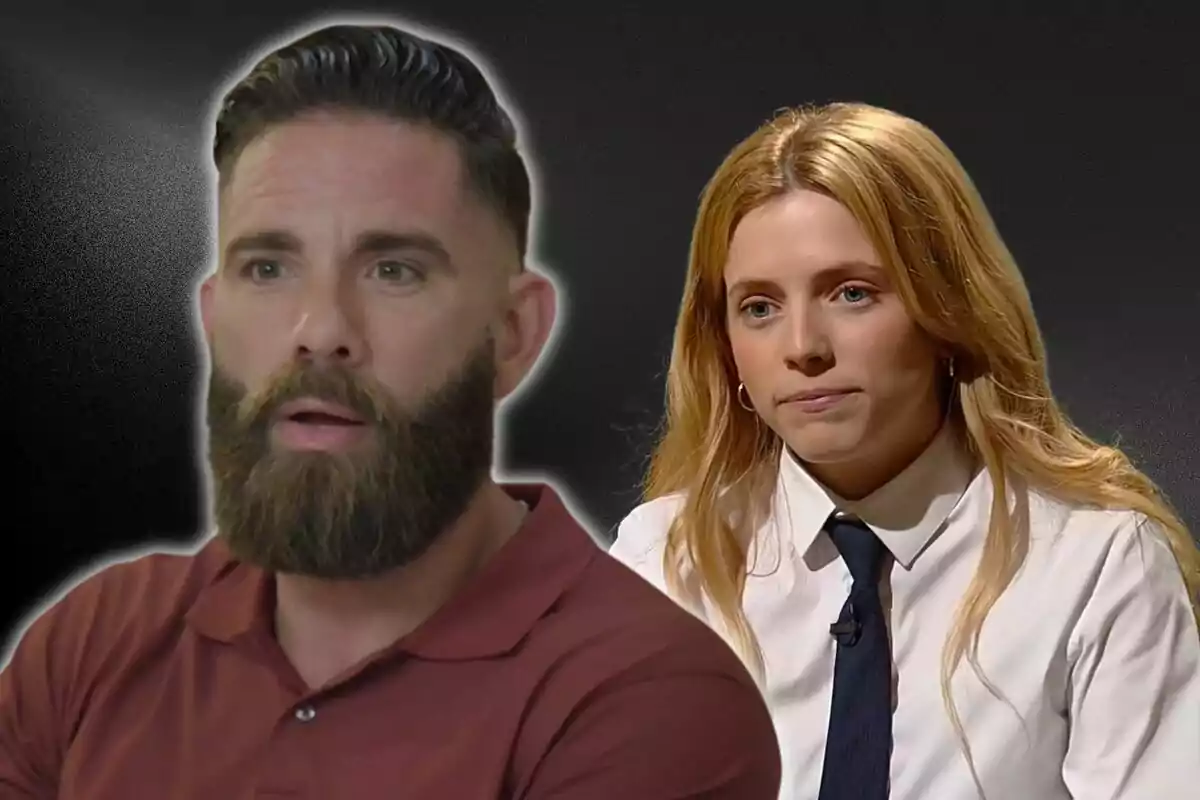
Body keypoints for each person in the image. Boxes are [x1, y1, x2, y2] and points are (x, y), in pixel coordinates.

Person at [0, 22, 782, 799]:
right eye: (267, 267)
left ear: (512, 334)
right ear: (212, 314)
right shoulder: (95, 640)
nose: (321, 332)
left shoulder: (648, 700)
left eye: (393, 270)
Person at [610, 101, 1200, 799]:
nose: (802, 348)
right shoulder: (666, 564)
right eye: (759, 307)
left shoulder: (1095, 567)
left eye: (852, 293)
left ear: (946, 309)